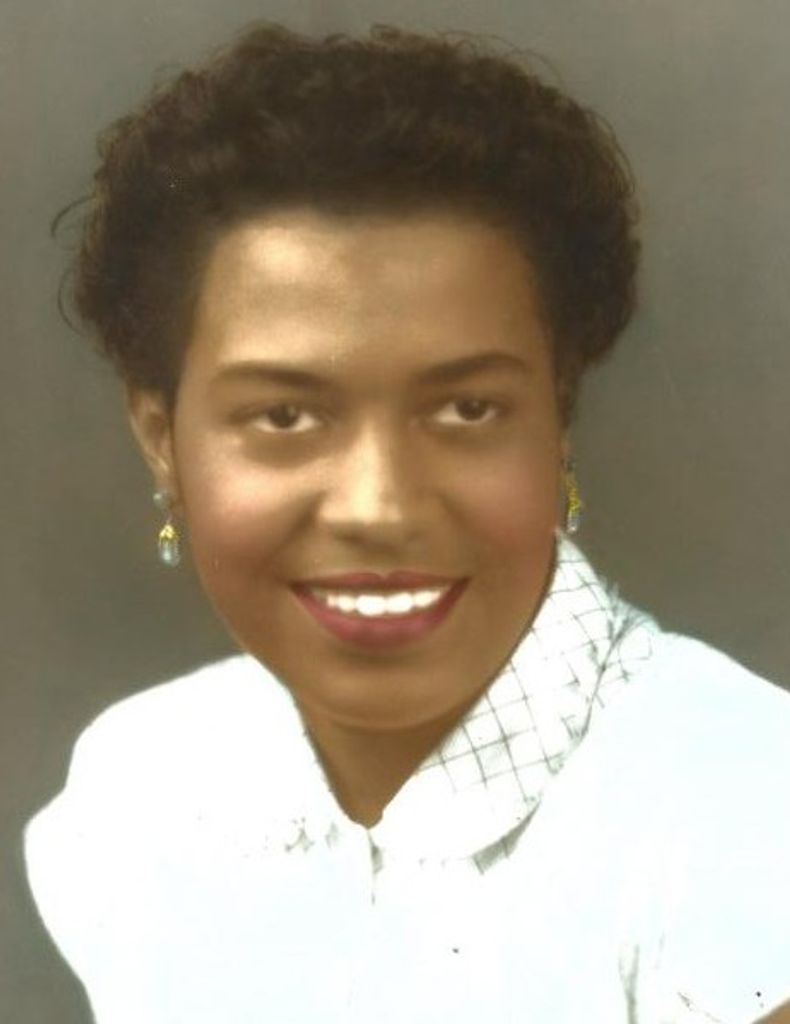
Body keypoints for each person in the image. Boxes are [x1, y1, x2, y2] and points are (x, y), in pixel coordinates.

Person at [24, 22, 790, 1024]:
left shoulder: (743, 811)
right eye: (284, 417)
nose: (379, 508)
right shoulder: (139, 783)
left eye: (466, 409)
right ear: (163, 440)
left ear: (557, 422)